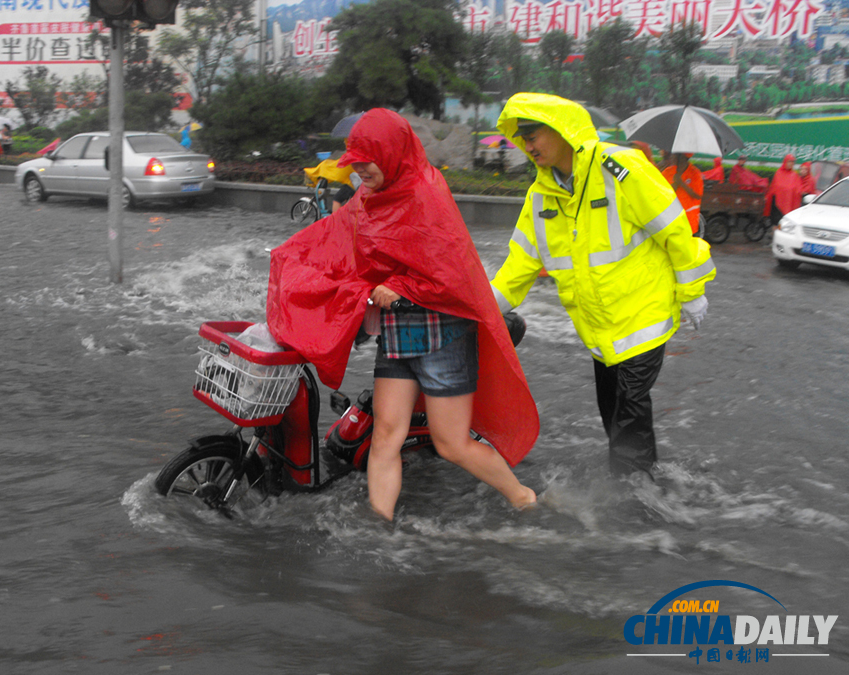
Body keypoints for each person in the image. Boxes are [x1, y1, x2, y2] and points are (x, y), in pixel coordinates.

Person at [266, 109, 539, 520]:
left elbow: (453, 274)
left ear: (391, 152)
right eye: (354, 162)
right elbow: (338, 238)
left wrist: (404, 288)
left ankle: (523, 498)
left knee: (452, 444)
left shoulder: (427, 194)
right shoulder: (369, 197)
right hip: (396, 335)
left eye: (366, 160)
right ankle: (382, 525)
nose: (359, 170)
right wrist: (294, 259)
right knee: (384, 438)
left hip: (443, 336)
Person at [490, 93, 716, 479]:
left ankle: (635, 505)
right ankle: (646, 485)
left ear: (562, 131)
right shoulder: (541, 196)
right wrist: (478, 309)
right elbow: (517, 268)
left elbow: (675, 231)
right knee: (613, 416)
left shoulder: (620, 169)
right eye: (522, 138)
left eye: (533, 134)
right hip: (601, 333)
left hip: (644, 317)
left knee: (630, 411)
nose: (527, 145)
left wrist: (693, 292)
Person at [662, 153, 705, 234]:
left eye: (674, 155)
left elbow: (698, 195)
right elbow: (661, 191)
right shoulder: (667, 172)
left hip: (688, 222)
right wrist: (675, 183)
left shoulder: (695, 173)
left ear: (682, 158)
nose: (672, 157)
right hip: (670, 220)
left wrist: (682, 183)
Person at [764, 154, 802, 223]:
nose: (791, 164)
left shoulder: (795, 175)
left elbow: (798, 190)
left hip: (789, 203)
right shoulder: (778, 173)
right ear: (785, 162)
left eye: (793, 162)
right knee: (775, 222)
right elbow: (774, 187)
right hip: (777, 204)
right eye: (789, 161)